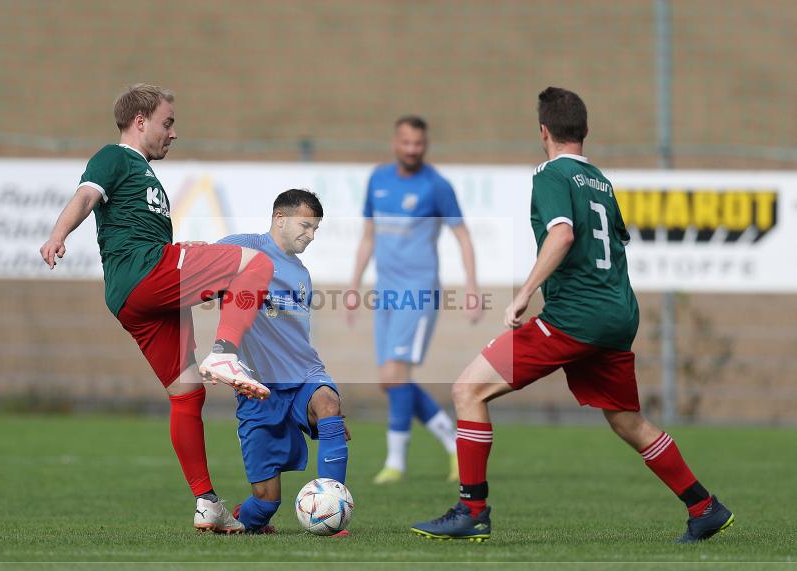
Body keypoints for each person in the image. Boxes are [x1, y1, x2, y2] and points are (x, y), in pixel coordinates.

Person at [411, 87, 734, 543]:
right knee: (626, 419)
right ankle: (704, 506)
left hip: (575, 318)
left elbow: (561, 235)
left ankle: (472, 510)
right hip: (617, 313)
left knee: (468, 389)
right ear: (585, 131)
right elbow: (613, 246)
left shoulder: (550, 174)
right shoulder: (599, 181)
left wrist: (526, 292)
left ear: (543, 131)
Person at [39, 84, 274, 534]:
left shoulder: (144, 175)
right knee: (257, 263)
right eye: (168, 123)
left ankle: (206, 502)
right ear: (140, 122)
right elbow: (86, 196)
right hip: (146, 271)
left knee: (187, 393)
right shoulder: (114, 157)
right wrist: (58, 234)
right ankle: (224, 353)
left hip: (133, 296)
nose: (174, 132)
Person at [348, 115, 481, 485]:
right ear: (395, 143)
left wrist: (472, 288)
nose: (412, 149)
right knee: (390, 380)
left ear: (426, 145)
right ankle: (454, 442)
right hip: (386, 292)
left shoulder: (436, 186)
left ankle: (396, 463)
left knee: (395, 374)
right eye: (406, 143)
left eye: (418, 144)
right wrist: (354, 285)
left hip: (419, 292)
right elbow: (368, 237)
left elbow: (463, 236)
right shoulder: (378, 179)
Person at [216, 189, 350, 535]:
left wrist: (330, 418)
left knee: (328, 402)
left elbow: (295, 340)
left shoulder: (302, 275)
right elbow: (199, 268)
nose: (311, 234)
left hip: (304, 374)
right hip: (257, 389)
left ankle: (332, 517)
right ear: (280, 218)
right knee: (264, 504)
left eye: (316, 229)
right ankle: (238, 516)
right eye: (306, 225)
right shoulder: (243, 246)